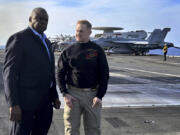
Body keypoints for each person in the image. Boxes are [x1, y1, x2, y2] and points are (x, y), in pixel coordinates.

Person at [3, 7, 61, 135]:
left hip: (45, 103)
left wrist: (54, 95)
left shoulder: (46, 42)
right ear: (30, 19)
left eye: (46, 19)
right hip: (25, 103)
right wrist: (13, 103)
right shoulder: (19, 39)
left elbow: (50, 71)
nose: (43, 22)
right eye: (38, 18)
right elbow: (9, 74)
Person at [57, 20, 109, 135]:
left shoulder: (97, 50)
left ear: (89, 32)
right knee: (71, 130)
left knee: (93, 130)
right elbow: (60, 73)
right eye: (76, 31)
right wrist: (65, 94)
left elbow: (104, 74)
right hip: (73, 95)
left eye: (81, 31)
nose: (77, 33)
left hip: (93, 96)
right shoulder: (68, 51)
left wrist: (100, 96)